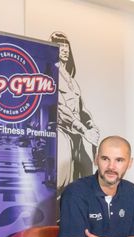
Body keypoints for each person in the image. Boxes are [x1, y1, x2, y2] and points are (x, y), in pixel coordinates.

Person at [50, 31, 100, 196]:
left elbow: (82, 109)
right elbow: (60, 108)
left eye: (66, 46)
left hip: (78, 136)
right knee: (63, 182)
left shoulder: (71, 79)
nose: (65, 49)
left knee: (87, 175)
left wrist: (91, 126)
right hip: (63, 133)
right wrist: (84, 129)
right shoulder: (51, 75)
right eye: (60, 46)